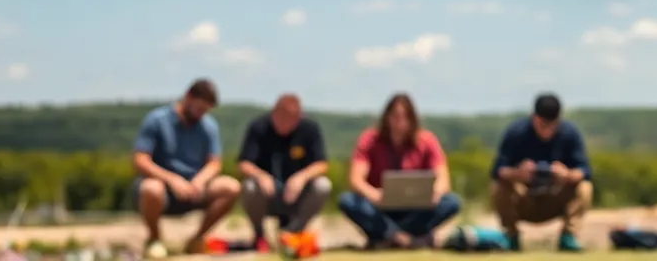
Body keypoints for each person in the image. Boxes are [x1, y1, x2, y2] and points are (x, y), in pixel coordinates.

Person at [130, 78, 240, 259]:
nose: (200, 114)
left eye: (205, 111)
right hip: (162, 187)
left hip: (194, 188)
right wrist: (172, 180)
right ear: (188, 97)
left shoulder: (208, 125)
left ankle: (197, 239)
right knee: (151, 188)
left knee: (231, 187)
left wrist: (200, 181)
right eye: (198, 109)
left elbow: (214, 163)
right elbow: (140, 160)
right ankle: (154, 239)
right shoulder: (157, 120)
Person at [338, 93, 462, 249]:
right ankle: (407, 239)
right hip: (380, 206)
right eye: (396, 116)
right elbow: (355, 179)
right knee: (348, 201)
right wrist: (373, 194)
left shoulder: (427, 140)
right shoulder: (369, 139)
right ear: (387, 117)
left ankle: (388, 237)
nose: (400, 122)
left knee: (451, 202)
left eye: (405, 117)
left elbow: (444, 180)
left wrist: (434, 193)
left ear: (413, 119)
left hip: (416, 208)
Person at [490, 92, 593, 251]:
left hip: (555, 196)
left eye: (552, 125)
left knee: (584, 187)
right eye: (543, 125)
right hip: (524, 198)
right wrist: (518, 173)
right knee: (499, 186)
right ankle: (511, 236)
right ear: (533, 117)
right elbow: (497, 171)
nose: (548, 130)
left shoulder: (569, 134)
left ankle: (568, 236)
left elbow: (585, 171)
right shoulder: (516, 133)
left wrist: (566, 175)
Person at [237, 93, 332, 251]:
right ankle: (260, 236)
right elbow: (243, 163)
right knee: (249, 187)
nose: (288, 124)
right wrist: (261, 176)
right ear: (274, 113)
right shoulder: (259, 127)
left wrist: (302, 177)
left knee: (323, 186)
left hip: (297, 195)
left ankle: (292, 233)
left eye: (294, 119)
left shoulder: (309, 129)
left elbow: (321, 164)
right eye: (284, 118)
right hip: (267, 195)